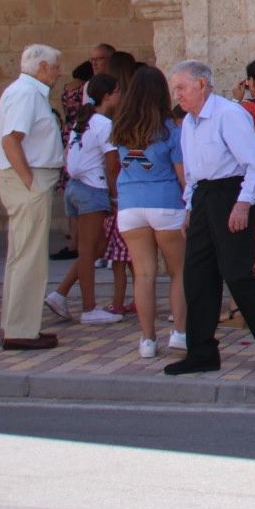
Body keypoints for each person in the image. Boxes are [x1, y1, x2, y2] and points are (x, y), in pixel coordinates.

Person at [166, 59, 255, 375]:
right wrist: (189, 209)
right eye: (175, 87)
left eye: (182, 87)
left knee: (236, 272)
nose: (176, 94)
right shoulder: (189, 123)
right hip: (204, 197)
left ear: (202, 85)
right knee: (197, 275)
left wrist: (243, 203)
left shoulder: (229, 115)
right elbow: (193, 174)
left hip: (231, 193)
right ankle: (202, 351)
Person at [110, 66, 187, 359]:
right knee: (179, 272)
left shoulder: (119, 128)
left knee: (143, 275)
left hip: (130, 205)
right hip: (166, 203)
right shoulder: (170, 130)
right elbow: (182, 175)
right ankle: (179, 333)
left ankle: (147, 340)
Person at [0, 44, 66, 351]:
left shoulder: (26, 92)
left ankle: (17, 324)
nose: (60, 72)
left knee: (22, 255)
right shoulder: (25, 93)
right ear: (43, 67)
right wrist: (29, 182)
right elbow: (11, 139)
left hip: (28, 178)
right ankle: (21, 330)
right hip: (28, 179)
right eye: (56, 66)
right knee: (29, 257)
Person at [46, 73, 125, 325]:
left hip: (76, 188)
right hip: (93, 189)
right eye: (117, 92)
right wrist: (115, 197)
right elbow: (112, 166)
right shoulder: (104, 124)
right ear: (107, 96)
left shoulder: (86, 121)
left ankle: (61, 292)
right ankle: (89, 308)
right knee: (90, 249)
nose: (120, 96)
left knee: (96, 248)